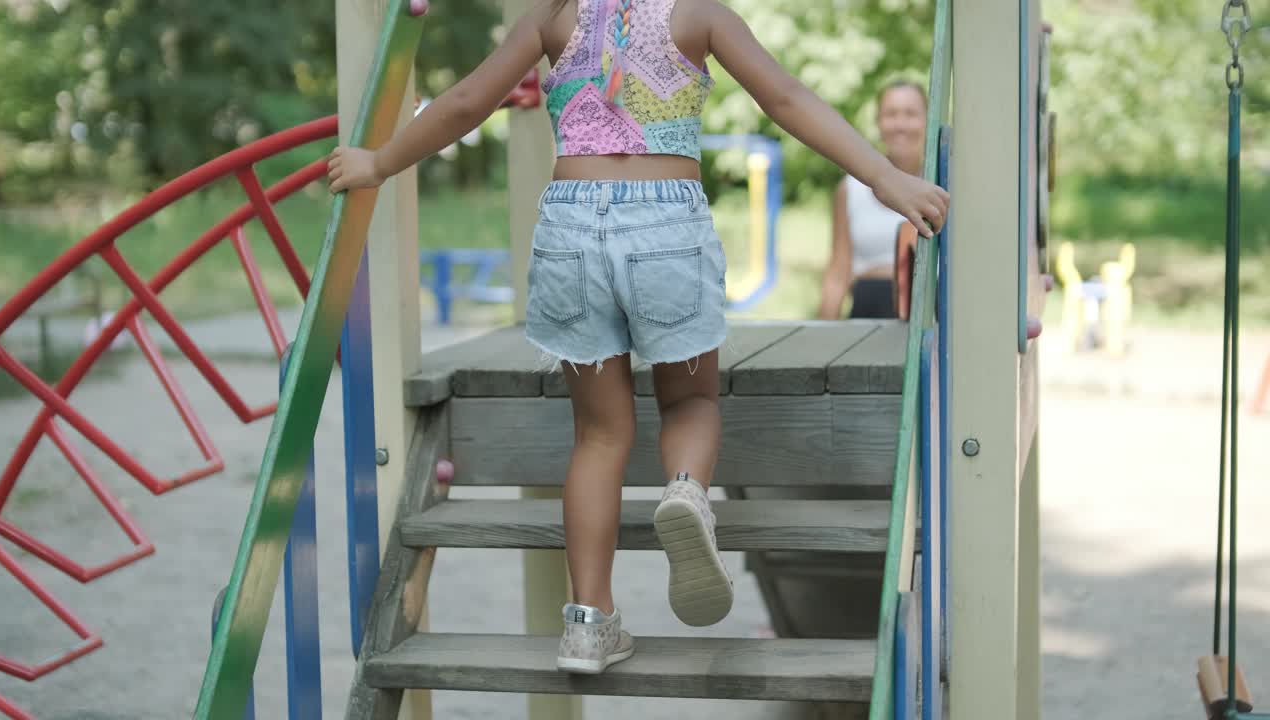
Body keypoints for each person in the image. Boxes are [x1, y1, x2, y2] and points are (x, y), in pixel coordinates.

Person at [328, 0, 948, 675]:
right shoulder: (698, 14)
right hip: (665, 229)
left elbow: (468, 101)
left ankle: (589, 626)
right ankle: (685, 492)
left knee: (599, 435)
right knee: (689, 403)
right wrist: (884, 176)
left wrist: (378, 163)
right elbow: (787, 99)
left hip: (570, 231)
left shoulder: (551, 15)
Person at [818, 80, 929, 319]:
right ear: (879, 123)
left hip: (930, 322)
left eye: (910, 114)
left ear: (927, 121)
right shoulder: (851, 189)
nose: (900, 124)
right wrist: (819, 341)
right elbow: (838, 273)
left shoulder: (944, 187)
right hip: (868, 316)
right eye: (891, 114)